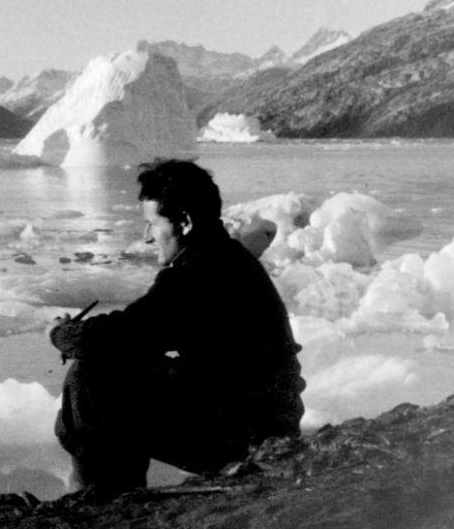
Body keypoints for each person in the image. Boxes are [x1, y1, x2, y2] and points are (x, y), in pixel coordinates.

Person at [50, 158, 305, 492]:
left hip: (246, 435)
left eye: (152, 224)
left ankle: (101, 498)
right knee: (116, 363)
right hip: (258, 420)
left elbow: (121, 335)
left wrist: (61, 334)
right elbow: (140, 328)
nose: (146, 238)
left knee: (94, 374)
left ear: (183, 222)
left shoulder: (198, 272)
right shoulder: (224, 258)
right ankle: (107, 491)